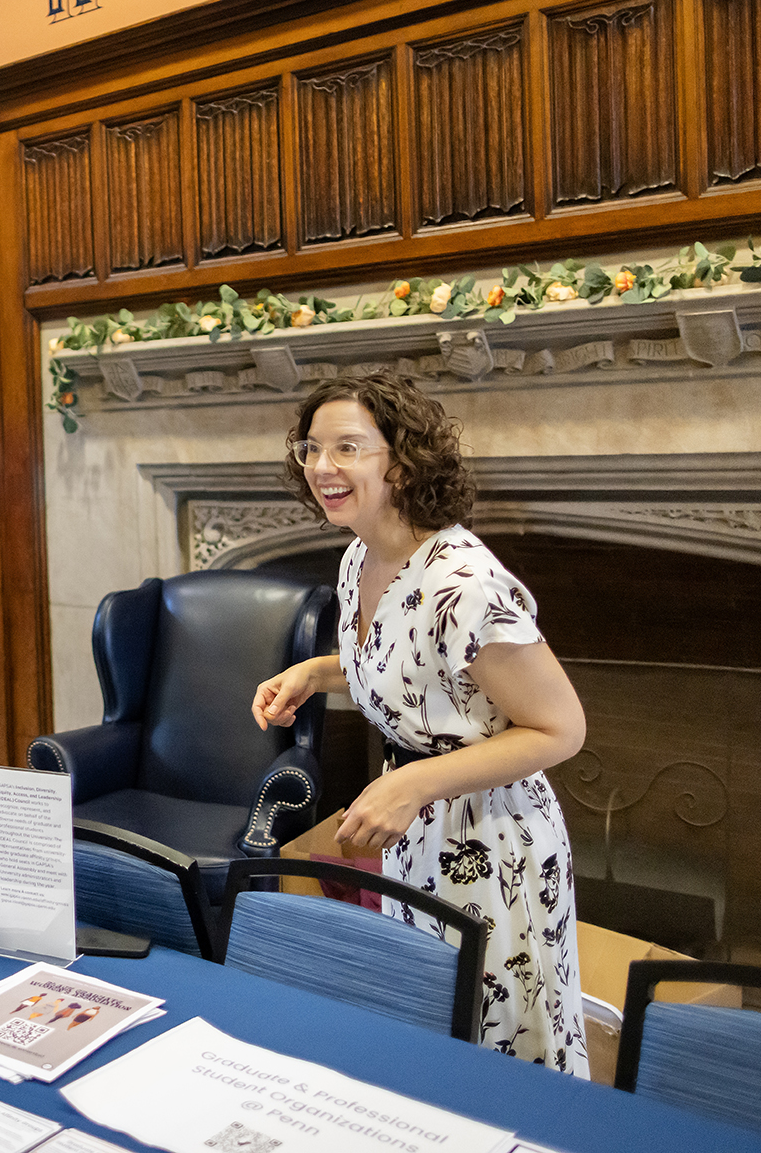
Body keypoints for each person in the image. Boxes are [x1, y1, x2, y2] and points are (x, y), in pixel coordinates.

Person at [251, 371, 590, 1075]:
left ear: (401, 461)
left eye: (348, 447)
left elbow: (561, 728)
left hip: (494, 846)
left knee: (497, 1053)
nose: (322, 467)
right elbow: (415, 667)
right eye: (311, 449)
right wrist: (318, 672)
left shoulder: (465, 582)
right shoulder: (359, 560)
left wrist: (414, 786)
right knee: (429, 1030)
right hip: (416, 834)